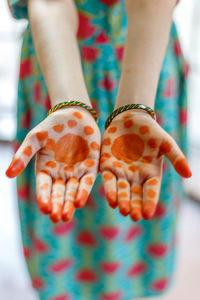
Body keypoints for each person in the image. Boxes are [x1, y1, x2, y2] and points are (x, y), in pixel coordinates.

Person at [6, 0, 191, 299]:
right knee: (60, 213)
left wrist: (137, 107)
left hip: (145, 67)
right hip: (56, 72)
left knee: (139, 194)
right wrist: (68, 102)